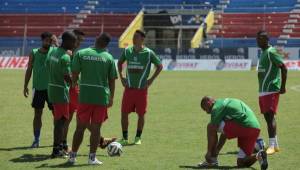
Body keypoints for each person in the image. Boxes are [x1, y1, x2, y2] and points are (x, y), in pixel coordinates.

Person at [68, 32, 117, 165]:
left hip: (84, 96)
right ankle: (91, 158)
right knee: (96, 129)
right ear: (106, 45)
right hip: (101, 97)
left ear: (96, 39)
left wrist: (74, 83)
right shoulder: (109, 57)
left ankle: (72, 157)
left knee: (80, 128)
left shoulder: (82, 53)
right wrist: (112, 97)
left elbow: (74, 73)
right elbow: (112, 80)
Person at [118, 30, 163, 145]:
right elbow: (119, 63)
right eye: (133, 36)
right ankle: (124, 138)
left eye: (136, 36)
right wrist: (122, 77)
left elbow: (159, 66)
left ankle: (138, 138)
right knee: (124, 113)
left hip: (142, 90)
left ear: (142, 39)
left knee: (141, 114)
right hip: (129, 89)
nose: (133, 38)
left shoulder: (148, 53)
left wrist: (151, 80)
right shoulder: (127, 51)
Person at [199, 96, 268, 170]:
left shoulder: (216, 108)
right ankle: (259, 155)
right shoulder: (224, 103)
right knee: (241, 163)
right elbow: (224, 133)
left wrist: (209, 152)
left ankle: (211, 161)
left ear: (209, 102)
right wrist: (217, 150)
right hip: (255, 127)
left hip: (245, 125)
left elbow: (213, 128)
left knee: (210, 126)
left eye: (204, 108)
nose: (206, 112)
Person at [46, 31, 77, 158]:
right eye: (73, 42)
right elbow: (67, 77)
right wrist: (76, 82)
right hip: (61, 91)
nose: (74, 45)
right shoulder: (65, 57)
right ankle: (56, 150)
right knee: (62, 121)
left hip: (52, 87)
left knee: (59, 120)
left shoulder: (53, 52)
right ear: (67, 42)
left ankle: (58, 148)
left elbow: (48, 65)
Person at [256, 30, 287, 155]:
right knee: (267, 117)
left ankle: (272, 145)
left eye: (259, 39)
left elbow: (283, 67)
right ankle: (276, 144)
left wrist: (283, 87)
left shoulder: (271, 52)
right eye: (256, 39)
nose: (257, 41)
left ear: (265, 39)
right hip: (263, 90)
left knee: (270, 117)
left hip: (271, 89)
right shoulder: (263, 52)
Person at [23, 31, 54, 148]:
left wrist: (55, 42)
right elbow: (29, 69)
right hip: (38, 88)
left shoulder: (54, 51)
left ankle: (58, 140)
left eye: (50, 40)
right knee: (37, 114)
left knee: (56, 115)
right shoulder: (34, 53)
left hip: (52, 89)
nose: (49, 42)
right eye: (47, 40)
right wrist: (25, 85)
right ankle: (36, 139)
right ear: (42, 40)